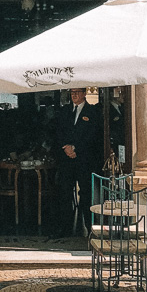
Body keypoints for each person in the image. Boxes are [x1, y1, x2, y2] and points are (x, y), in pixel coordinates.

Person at [53, 88, 102, 238]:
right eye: (72, 92)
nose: (74, 95)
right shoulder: (64, 111)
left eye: (77, 92)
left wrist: (76, 148)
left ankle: (89, 227)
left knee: (86, 194)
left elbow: (93, 135)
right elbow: (58, 131)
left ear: (84, 93)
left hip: (84, 160)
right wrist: (66, 148)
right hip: (66, 160)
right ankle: (65, 228)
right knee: (65, 193)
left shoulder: (92, 112)